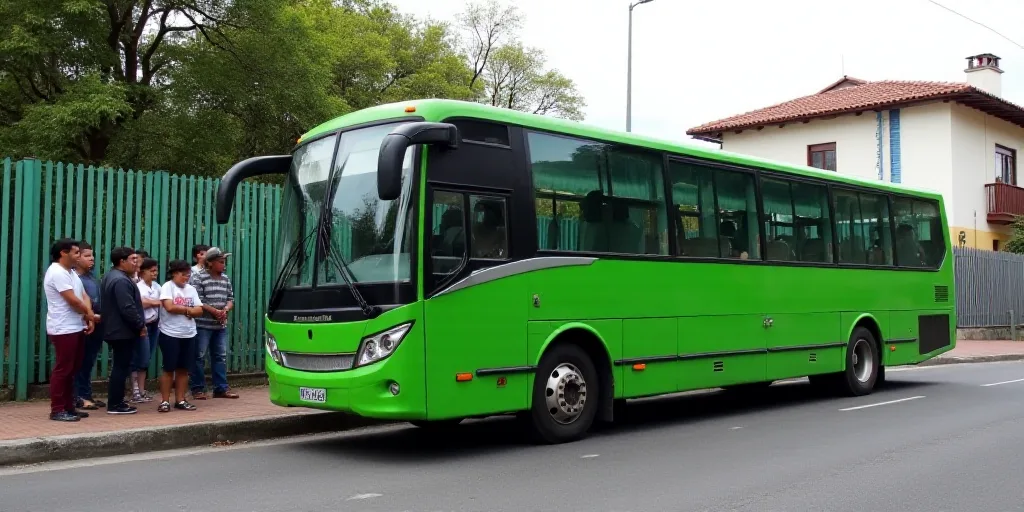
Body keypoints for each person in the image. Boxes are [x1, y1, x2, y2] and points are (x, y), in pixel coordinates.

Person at [43, 239, 97, 422]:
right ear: (63, 253)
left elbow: (83, 295)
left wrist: (87, 316)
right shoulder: (57, 272)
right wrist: (90, 315)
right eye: (75, 253)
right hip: (63, 327)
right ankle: (57, 409)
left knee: (73, 368)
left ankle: (69, 406)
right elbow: (72, 300)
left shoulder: (71, 272)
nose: (78, 256)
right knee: (63, 369)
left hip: (76, 325)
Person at [99, 247, 146, 415]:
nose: (136, 263)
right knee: (121, 366)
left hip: (116, 329)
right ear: (122, 261)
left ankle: (117, 401)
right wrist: (140, 325)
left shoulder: (112, 276)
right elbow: (127, 308)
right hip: (121, 331)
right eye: (133, 259)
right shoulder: (120, 280)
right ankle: (115, 404)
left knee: (121, 365)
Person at [189, 247, 238, 399]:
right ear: (210, 263)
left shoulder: (225, 278)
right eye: (221, 262)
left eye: (224, 262)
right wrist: (214, 311)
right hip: (203, 325)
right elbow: (198, 300)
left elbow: (231, 298)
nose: (224, 265)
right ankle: (197, 388)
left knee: (220, 356)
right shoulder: (198, 277)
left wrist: (225, 310)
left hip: (220, 325)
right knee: (199, 356)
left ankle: (221, 388)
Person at [158, 260, 203, 412]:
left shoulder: (191, 289)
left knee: (184, 369)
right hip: (170, 333)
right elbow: (169, 307)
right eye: (183, 275)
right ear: (174, 273)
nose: (186, 278)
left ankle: (181, 400)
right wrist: (189, 310)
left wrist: (187, 310)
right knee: (169, 368)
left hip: (189, 334)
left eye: (188, 275)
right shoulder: (167, 287)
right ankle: (164, 401)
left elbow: (200, 310)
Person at [73, 242, 106, 411]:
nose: (91, 258)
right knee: (80, 362)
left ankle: (86, 394)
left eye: (92, 255)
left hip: (97, 325)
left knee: (89, 362)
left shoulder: (92, 277)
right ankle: (78, 396)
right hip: (83, 325)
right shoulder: (73, 279)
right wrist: (91, 316)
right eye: (87, 255)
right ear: (77, 257)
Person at [130, 258, 161, 403]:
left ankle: (142, 390)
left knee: (146, 358)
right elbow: (140, 303)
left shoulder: (157, 287)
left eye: (156, 270)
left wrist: (153, 303)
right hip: (143, 325)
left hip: (155, 324)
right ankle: (134, 390)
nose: (155, 273)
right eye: (151, 271)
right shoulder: (137, 286)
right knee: (139, 357)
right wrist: (156, 302)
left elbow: (165, 301)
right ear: (143, 273)